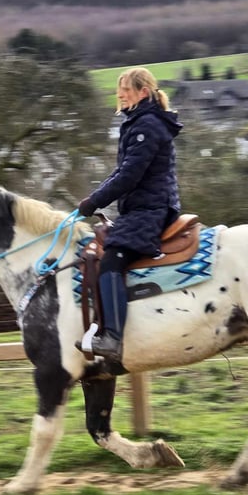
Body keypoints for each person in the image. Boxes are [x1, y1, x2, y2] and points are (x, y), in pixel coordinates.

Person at [77, 67, 183, 361]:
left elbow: (129, 177)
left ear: (143, 93)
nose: (120, 94)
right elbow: (120, 172)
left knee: (111, 259)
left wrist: (94, 202)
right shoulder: (139, 122)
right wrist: (92, 201)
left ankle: (112, 338)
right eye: (118, 88)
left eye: (126, 89)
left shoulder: (146, 125)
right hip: (144, 206)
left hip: (152, 209)